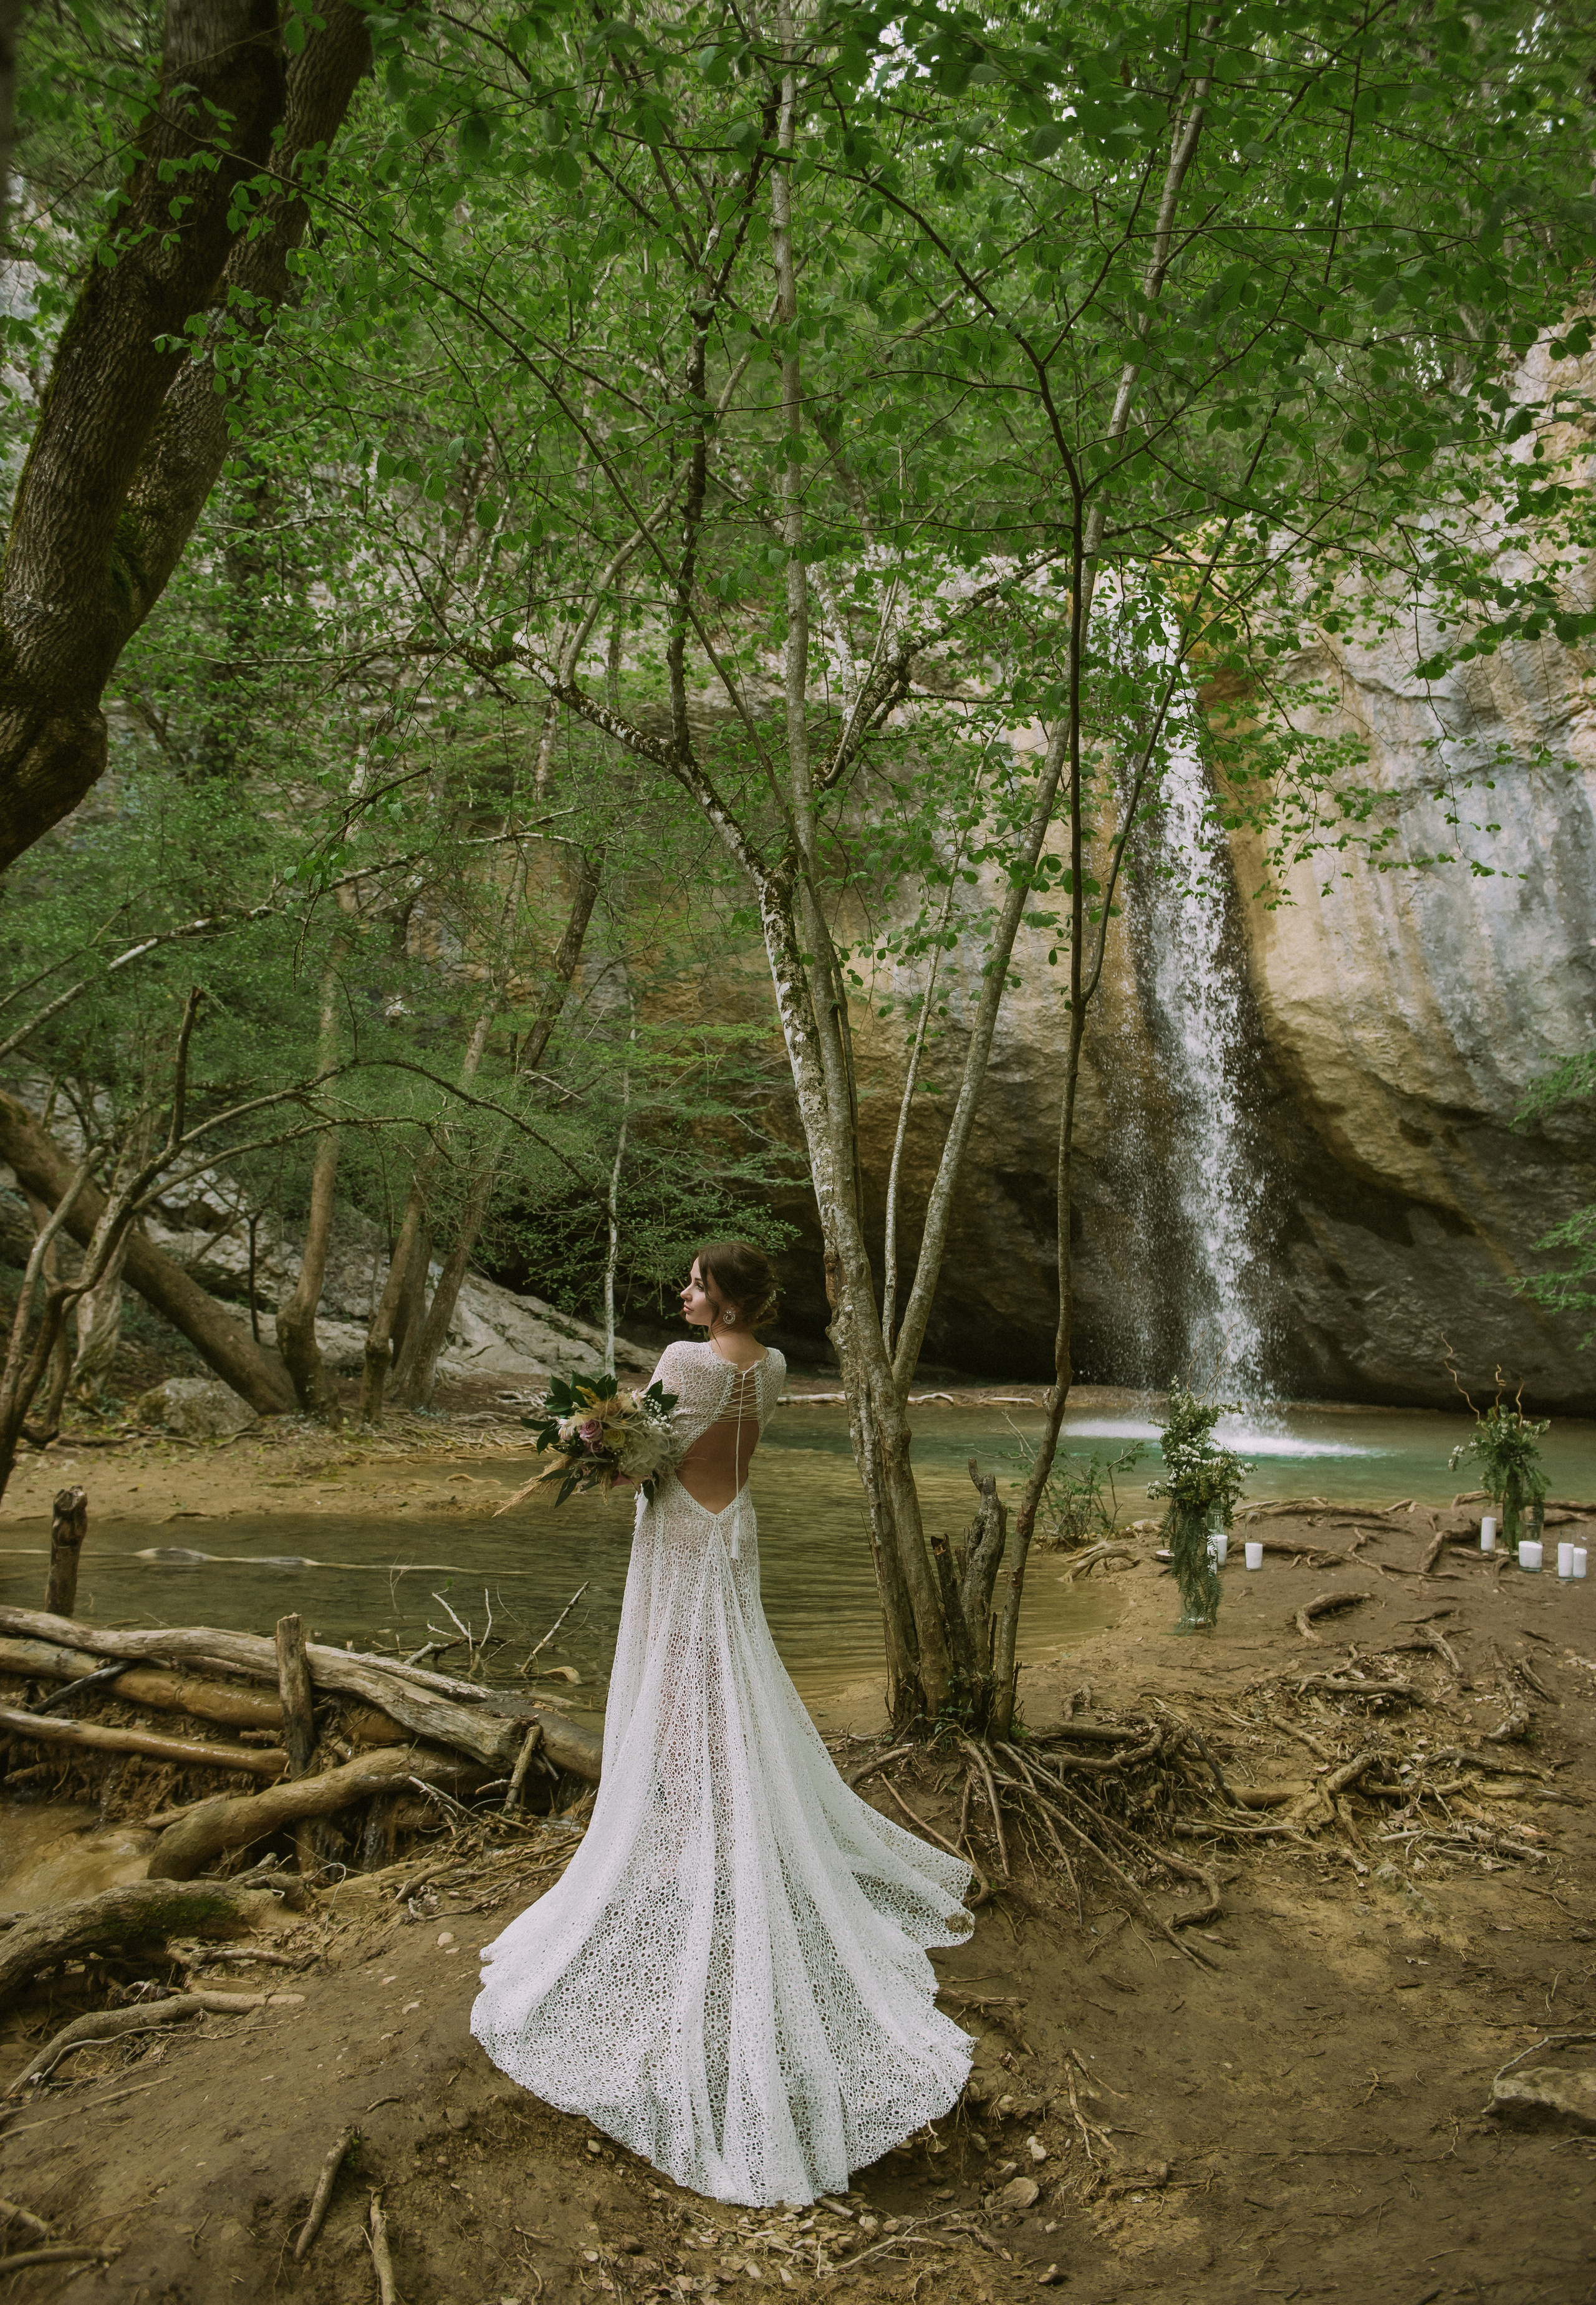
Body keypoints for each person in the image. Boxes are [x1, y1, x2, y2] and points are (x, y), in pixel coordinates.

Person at [471, 1240, 974, 2207]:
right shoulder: (774, 1366)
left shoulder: (683, 1359)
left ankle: (687, 1830)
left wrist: (596, 1445)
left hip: (678, 1532)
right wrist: (624, 1444)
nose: (684, 1291)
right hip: (733, 1525)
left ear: (729, 1299)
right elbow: (691, 1444)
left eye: (698, 1282)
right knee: (729, 1674)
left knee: (677, 1681)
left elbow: (645, 1455)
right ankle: (722, 1815)